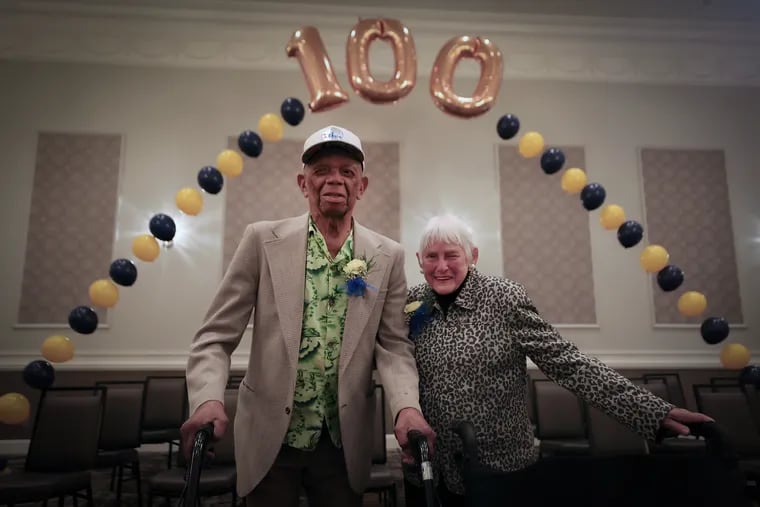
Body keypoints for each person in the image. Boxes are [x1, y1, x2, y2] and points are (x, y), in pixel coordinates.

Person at [180, 124, 435, 507]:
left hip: (343, 442)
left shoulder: (388, 255)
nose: (334, 179)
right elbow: (214, 337)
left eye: (347, 171)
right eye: (322, 170)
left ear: (361, 186)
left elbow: (395, 347)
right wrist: (206, 400)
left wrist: (407, 408)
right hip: (270, 438)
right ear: (304, 182)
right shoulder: (262, 240)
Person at [401, 213, 713, 507]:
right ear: (419, 261)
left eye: (451, 255)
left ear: (472, 256)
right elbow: (395, 366)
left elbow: (568, 363)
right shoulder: (414, 303)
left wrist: (651, 411)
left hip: (499, 469)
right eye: (432, 256)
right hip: (432, 469)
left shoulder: (503, 298)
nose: (441, 266)